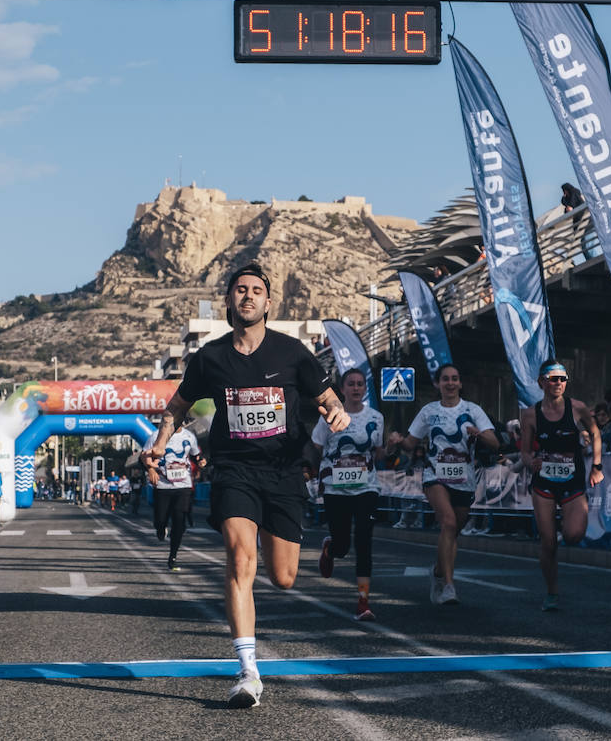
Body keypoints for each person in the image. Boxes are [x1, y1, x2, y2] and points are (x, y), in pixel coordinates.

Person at [144, 263, 348, 708]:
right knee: (240, 558)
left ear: (268, 302)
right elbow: (176, 408)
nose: (249, 296)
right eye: (240, 290)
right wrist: (159, 445)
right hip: (234, 470)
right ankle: (248, 671)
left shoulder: (293, 353)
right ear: (230, 300)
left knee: (284, 577)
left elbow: (327, 397)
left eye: (257, 290)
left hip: (284, 472)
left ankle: (324, 545)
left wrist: (337, 412)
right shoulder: (210, 358)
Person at [387, 363, 502, 606]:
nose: (450, 383)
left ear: (460, 384)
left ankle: (439, 571)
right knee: (448, 522)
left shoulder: (472, 410)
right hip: (434, 476)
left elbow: (495, 442)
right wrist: (399, 441)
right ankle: (449, 586)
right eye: (445, 379)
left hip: (464, 479)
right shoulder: (429, 411)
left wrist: (478, 433)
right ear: (438, 384)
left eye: (454, 379)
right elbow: (411, 444)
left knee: (452, 531)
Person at [520, 360, 602, 612]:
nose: (558, 383)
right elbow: (524, 451)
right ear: (541, 382)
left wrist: (597, 466)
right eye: (553, 379)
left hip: (573, 479)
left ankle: (563, 528)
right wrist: (530, 461)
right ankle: (552, 591)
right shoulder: (530, 414)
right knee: (548, 543)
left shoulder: (577, 408)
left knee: (573, 535)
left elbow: (596, 433)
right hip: (544, 481)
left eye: (562, 379)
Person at [307, 367, 386, 622]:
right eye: (350, 384)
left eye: (360, 384)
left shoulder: (376, 417)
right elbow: (315, 448)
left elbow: (378, 452)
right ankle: (331, 549)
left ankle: (363, 601)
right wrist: (307, 472)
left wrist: (391, 447)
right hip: (335, 488)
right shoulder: (328, 417)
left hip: (367, 487)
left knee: (364, 540)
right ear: (342, 389)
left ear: (364, 388)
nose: (355, 388)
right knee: (343, 545)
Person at [145, 421, 203, 571]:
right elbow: (144, 456)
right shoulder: (156, 436)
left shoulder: (189, 436)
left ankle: (173, 556)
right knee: (160, 520)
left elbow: (196, 455)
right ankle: (160, 528)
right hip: (163, 485)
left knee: (180, 521)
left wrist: (201, 462)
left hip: (183, 485)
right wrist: (150, 469)